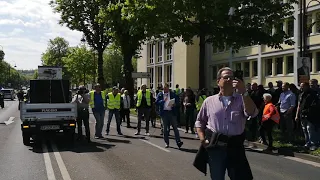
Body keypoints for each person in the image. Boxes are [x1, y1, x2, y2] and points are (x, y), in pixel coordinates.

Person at [195, 67, 258, 180]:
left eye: (231, 77)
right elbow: (200, 121)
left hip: (235, 146)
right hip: (216, 147)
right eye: (226, 77)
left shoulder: (241, 99)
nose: (229, 79)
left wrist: (244, 92)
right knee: (217, 177)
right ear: (218, 81)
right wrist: (202, 139)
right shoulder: (209, 101)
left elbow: (252, 113)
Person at [156, 83, 183, 149]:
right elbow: (157, 102)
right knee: (165, 129)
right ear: (163, 88)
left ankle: (178, 142)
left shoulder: (172, 94)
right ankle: (166, 142)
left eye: (167, 88)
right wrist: (163, 101)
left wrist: (174, 104)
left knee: (175, 128)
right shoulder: (160, 94)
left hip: (171, 112)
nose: (166, 90)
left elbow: (177, 101)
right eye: (165, 88)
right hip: (164, 113)